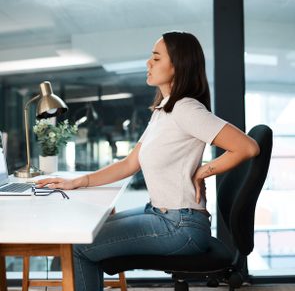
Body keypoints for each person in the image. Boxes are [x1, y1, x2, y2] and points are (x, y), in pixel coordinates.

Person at [37, 31, 260, 291]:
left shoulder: (187, 109)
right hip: (160, 213)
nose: (148, 63)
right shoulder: (164, 110)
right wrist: (77, 182)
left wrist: (202, 172)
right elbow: (130, 164)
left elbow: (248, 147)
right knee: (88, 228)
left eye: (156, 58)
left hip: (180, 226)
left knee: (79, 246)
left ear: (179, 65)